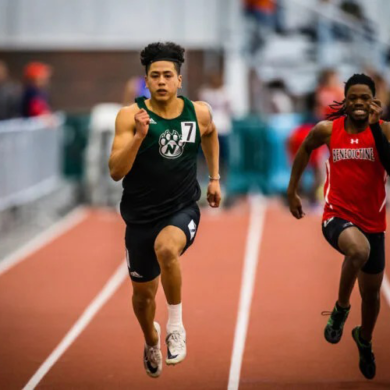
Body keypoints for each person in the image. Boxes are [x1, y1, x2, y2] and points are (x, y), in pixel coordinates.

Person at [109, 42, 221, 378]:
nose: (161, 81)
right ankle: (152, 338)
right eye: (154, 76)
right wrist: (139, 137)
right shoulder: (130, 116)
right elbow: (115, 171)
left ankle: (175, 326)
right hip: (140, 217)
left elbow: (211, 134)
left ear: (179, 80)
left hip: (182, 207)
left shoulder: (198, 111)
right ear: (146, 80)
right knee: (143, 299)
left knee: (167, 248)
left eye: (167, 75)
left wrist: (214, 178)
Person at [287, 74, 389, 380]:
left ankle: (365, 339)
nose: (358, 103)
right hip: (337, 215)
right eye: (353, 97)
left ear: (374, 101)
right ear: (344, 101)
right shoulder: (328, 130)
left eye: (364, 98)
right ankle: (341, 309)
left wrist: (374, 126)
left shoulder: (384, 131)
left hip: (374, 221)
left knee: (371, 297)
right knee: (358, 251)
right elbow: (304, 149)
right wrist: (292, 191)